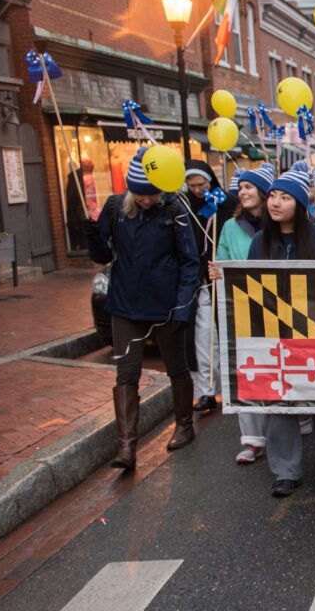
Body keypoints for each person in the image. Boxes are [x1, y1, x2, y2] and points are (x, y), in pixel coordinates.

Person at [85, 149, 200, 470]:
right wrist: (92, 236)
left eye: (151, 194)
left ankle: (184, 425)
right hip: (125, 304)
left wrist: (182, 309)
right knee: (126, 373)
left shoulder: (175, 210)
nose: (146, 200)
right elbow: (103, 257)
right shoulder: (114, 208)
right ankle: (126, 447)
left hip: (165, 304)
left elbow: (189, 263)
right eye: (140, 194)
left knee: (176, 366)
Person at [246, 161, 315, 497]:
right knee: (280, 399)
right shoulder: (259, 242)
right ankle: (286, 470)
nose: (274, 202)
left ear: (300, 204)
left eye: (284, 197)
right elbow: (247, 284)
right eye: (272, 195)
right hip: (275, 333)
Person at [208, 163, 276, 464]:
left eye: (249, 187)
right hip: (242, 307)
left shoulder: (279, 223)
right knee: (248, 369)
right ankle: (252, 439)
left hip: (277, 308)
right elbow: (222, 260)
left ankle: (293, 416)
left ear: (264, 192)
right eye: (241, 188)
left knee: (280, 364)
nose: (242, 192)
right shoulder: (229, 228)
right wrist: (217, 272)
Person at [182, 160, 238, 414]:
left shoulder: (224, 202)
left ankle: (232, 383)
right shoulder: (182, 205)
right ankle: (206, 389)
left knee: (228, 332)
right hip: (198, 280)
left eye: (201, 185)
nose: (196, 190)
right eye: (191, 185)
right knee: (202, 337)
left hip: (222, 276)